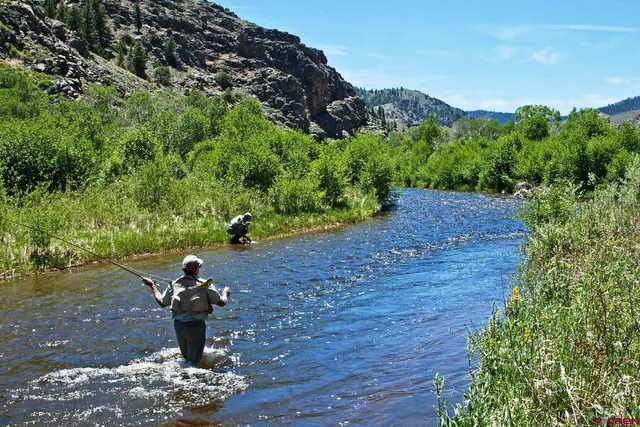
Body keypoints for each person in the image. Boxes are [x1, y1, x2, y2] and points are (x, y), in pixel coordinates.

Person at [142, 255, 230, 367]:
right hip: (195, 326)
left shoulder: (174, 284)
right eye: (199, 266)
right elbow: (221, 303)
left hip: (178, 326)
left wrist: (152, 285)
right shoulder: (205, 284)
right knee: (193, 363)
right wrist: (225, 294)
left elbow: (162, 302)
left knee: (187, 358)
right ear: (196, 269)